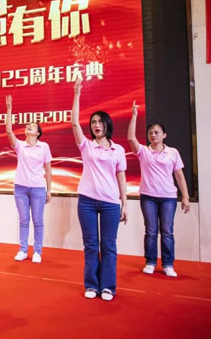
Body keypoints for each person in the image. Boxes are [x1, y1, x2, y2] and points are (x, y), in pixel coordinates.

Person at [71, 78, 127, 301]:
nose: (96, 125)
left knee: (109, 246)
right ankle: (92, 285)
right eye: (93, 122)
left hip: (110, 202)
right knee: (91, 245)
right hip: (86, 201)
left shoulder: (118, 150)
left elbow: (121, 175)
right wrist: (77, 94)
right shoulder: (87, 146)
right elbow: (75, 124)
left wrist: (124, 203)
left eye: (100, 122)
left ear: (107, 125)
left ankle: (108, 287)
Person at [127, 101, 190, 277]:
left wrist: (185, 196)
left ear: (164, 135)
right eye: (150, 133)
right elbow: (131, 139)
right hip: (148, 197)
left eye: (156, 132)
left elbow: (179, 175)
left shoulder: (173, 152)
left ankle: (168, 264)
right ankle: (150, 262)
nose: (153, 135)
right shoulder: (144, 152)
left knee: (167, 231)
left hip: (168, 197)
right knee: (151, 231)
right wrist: (134, 116)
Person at [5, 95, 52, 263]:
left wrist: (49, 190)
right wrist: (9, 110)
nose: (29, 127)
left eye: (32, 126)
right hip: (21, 188)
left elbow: (48, 169)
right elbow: (9, 131)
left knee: (38, 221)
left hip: (38, 188)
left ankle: (37, 251)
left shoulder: (44, 146)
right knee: (24, 220)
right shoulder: (20, 146)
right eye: (28, 126)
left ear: (37, 133)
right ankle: (23, 250)